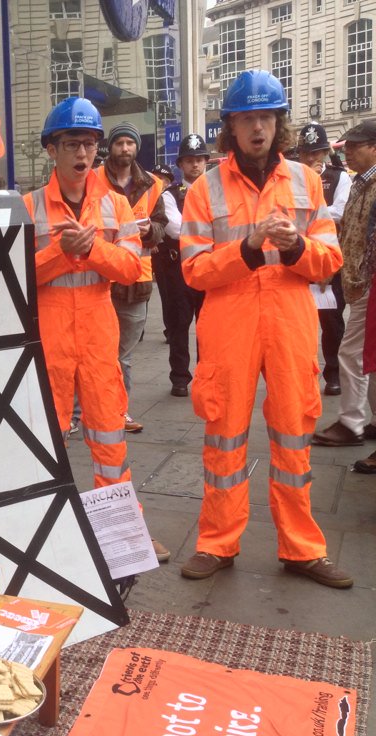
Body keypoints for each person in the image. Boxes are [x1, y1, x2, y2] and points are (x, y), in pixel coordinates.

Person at [179, 70, 351, 588]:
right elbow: (193, 269)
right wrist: (249, 249)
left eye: (266, 117)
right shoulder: (203, 188)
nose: (258, 127)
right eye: (247, 118)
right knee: (224, 435)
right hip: (229, 325)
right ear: (230, 127)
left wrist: (295, 247)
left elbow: (329, 260)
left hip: (291, 323)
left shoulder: (306, 181)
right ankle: (216, 541)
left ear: (280, 123)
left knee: (294, 435)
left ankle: (301, 547)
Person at [22, 97, 170, 563]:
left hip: (98, 337)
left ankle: (124, 534)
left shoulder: (116, 205)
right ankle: (48, 534)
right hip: (49, 341)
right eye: (71, 144)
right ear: (52, 149)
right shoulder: (28, 207)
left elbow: (131, 268)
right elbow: (16, 278)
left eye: (88, 144)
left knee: (109, 436)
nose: (82, 154)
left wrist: (88, 252)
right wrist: (61, 253)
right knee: (47, 440)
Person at [95, 123, 167, 433]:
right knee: (98, 351)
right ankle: (89, 410)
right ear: (110, 147)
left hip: (136, 283)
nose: (125, 148)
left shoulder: (152, 184)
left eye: (130, 143)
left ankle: (117, 410)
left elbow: (162, 227)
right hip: (98, 280)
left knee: (120, 354)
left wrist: (151, 231)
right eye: (119, 143)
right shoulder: (93, 180)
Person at [312, 120, 376, 449]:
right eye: (346, 146)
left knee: (351, 354)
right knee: (366, 354)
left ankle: (351, 422)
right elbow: (349, 233)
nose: (348, 152)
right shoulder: (359, 184)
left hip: (370, 286)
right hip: (357, 282)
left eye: (356, 146)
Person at [298, 122, 351, 397]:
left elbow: (340, 211)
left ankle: (333, 373)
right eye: (306, 153)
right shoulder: (292, 178)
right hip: (297, 259)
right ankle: (302, 374)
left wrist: (311, 214)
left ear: (324, 151)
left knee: (331, 321)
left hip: (328, 260)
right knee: (297, 321)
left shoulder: (338, 177)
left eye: (316, 152)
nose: (311, 159)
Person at [155, 133, 209, 397]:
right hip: (180, 269)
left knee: (209, 325)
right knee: (179, 325)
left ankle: (207, 373)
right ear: (180, 164)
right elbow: (175, 229)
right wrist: (209, 229)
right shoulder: (170, 194)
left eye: (200, 159)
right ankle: (179, 377)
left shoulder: (218, 191)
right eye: (189, 160)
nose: (195, 165)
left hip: (211, 267)